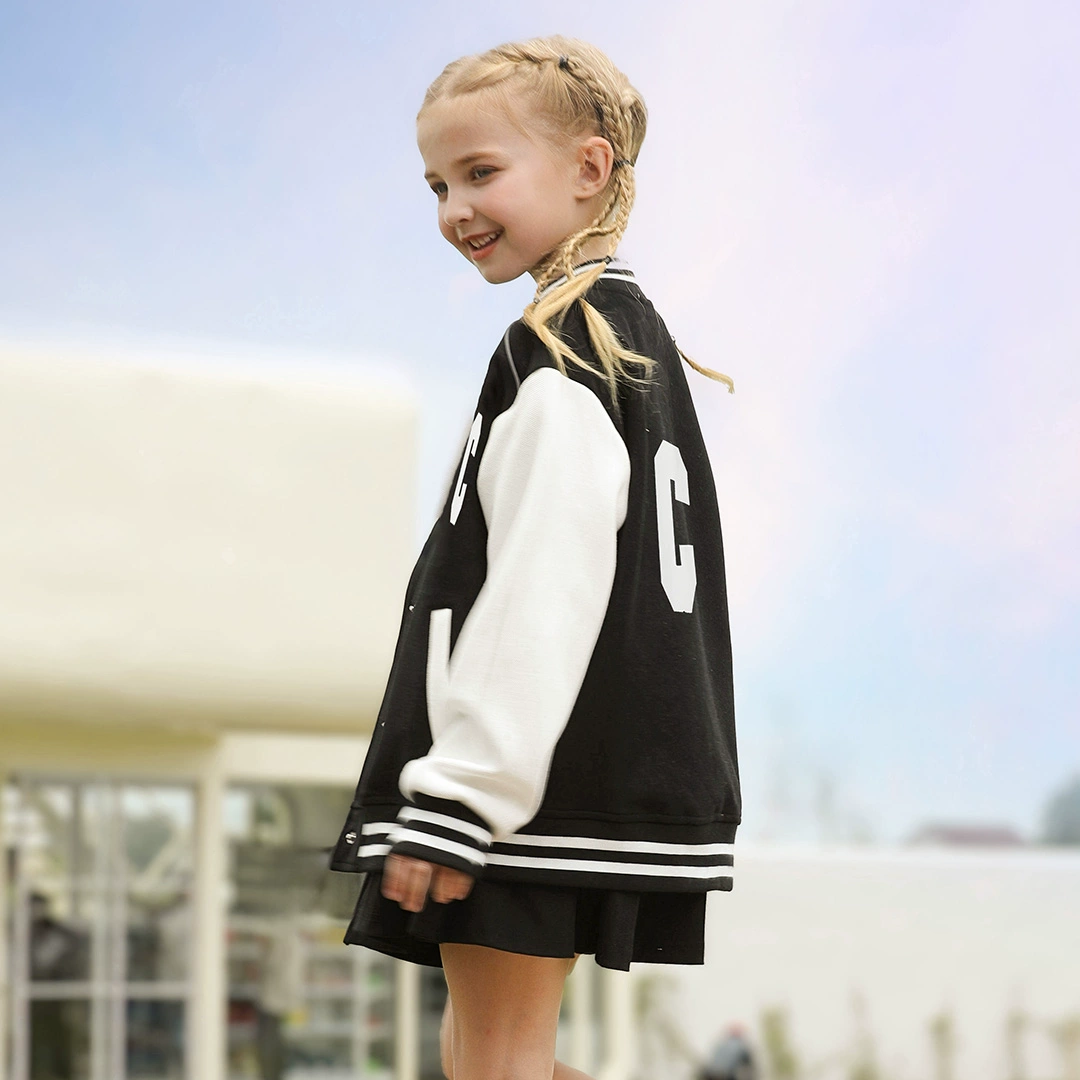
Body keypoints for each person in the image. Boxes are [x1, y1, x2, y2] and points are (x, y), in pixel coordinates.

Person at [330, 35, 741, 1080]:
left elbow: (541, 587)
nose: (454, 209)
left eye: (481, 172)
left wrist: (463, 790)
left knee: (495, 1059)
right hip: (569, 776)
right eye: (438, 184)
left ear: (589, 168)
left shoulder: (560, 353)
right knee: (488, 1056)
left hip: (531, 785)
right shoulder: (626, 337)